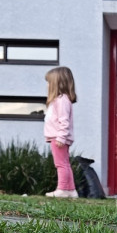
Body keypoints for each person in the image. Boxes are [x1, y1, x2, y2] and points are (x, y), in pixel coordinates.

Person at [44, 66, 78, 198]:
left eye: (49, 82)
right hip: (59, 137)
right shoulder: (60, 100)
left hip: (58, 138)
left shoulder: (62, 100)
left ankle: (62, 188)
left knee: (60, 164)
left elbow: (64, 121)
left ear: (56, 83)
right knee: (65, 163)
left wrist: (61, 137)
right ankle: (71, 190)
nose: (47, 86)